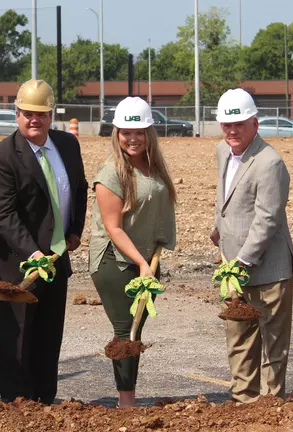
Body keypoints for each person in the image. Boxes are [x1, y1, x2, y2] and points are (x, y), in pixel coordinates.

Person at [0, 79, 88, 404]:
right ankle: (17, 406)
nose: (34, 120)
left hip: (55, 261)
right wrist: (35, 254)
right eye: (27, 113)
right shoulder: (1, 157)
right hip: (15, 264)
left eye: (41, 114)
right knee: (17, 340)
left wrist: (74, 231)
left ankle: (45, 403)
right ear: (16, 114)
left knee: (47, 336)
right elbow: (4, 215)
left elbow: (80, 189)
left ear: (51, 115)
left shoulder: (68, 145)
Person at [89, 97, 176, 408]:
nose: (133, 138)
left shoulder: (152, 168)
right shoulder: (111, 173)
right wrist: (142, 263)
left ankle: (128, 398)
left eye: (139, 131)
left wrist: (152, 257)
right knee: (127, 330)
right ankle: (126, 404)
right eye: (126, 132)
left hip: (144, 261)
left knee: (135, 328)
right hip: (115, 260)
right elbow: (114, 228)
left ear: (149, 132)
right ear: (117, 133)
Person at [209, 88, 293, 403]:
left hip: (268, 269)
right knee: (239, 337)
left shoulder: (269, 162)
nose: (232, 131)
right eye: (226, 125)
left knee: (273, 342)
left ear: (254, 124)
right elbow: (227, 197)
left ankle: (271, 404)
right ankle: (244, 400)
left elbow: (267, 219)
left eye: (239, 124)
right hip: (234, 267)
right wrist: (218, 227)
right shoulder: (222, 150)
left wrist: (243, 261)